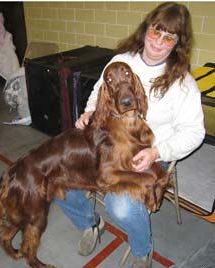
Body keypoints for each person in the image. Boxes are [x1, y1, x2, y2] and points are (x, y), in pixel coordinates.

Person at [55, 2, 205, 268]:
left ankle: (142, 249)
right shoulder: (121, 61)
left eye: (168, 37)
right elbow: (97, 94)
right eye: (155, 32)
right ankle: (90, 224)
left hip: (148, 153)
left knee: (120, 205)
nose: (158, 43)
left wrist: (157, 153)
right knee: (56, 175)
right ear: (145, 29)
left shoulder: (182, 82)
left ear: (178, 43)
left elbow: (195, 132)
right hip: (108, 144)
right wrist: (89, 113)